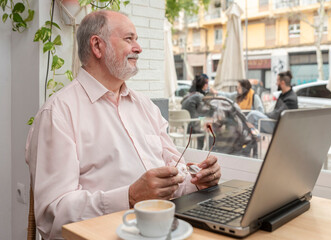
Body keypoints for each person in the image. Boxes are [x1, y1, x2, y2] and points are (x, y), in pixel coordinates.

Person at [25, 10, 221, 240]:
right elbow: (52, 217)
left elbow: (174, 178)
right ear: (98, 46)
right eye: (129, 39)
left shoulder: (146, 107)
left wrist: (198, 181)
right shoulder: (58, 114)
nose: (138, 48)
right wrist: (129, 197)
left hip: (162, 230)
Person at [181, 74, 209, 149]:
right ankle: (201, 151)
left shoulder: (187, 95)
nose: (207, 85)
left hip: (184, 126)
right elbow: (203, 112)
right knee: (210, 129)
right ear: (203, 85)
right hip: (192, 128)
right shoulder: (199, 96)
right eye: (206, 83)